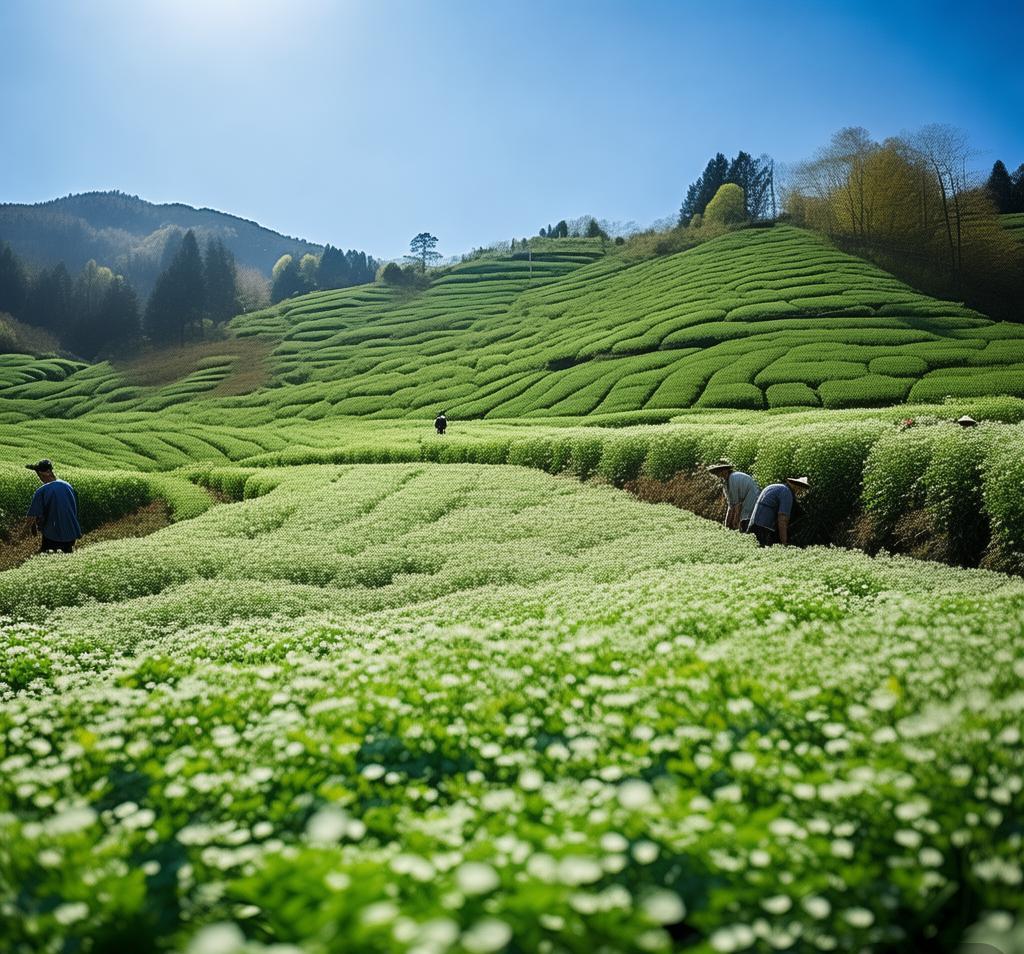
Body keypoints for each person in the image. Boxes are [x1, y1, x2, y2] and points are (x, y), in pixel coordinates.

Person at [24, 459, 82, 554]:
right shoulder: (68, 486)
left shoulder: (42, 491)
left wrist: (22, 534)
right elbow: (75, 508)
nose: (39, 477)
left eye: (39, 473)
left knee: (47, 558)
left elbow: (32, 516)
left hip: (53, 535)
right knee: (66, 560)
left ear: (48, 472)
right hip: (71, 534)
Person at [748, 476, 810, 547]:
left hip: (753, 523)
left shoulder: (778, 487)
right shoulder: (786, 493)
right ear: (797, 486)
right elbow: (782, 519)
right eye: (801, 489)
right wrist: (784, 542)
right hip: (763, 527)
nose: (801, 491)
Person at [707, 459, 760, 532]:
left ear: (726, 470)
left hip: (751, 496)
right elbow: (731, 505)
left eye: (722, 470)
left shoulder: (733, 478)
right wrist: (726, 523)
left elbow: (736, 505)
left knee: (744, 518)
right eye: (718, 471)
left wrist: (735, 521)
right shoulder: (725, 482)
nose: (719, 473)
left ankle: (746, 534)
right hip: (745, 498)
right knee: (740, 520)